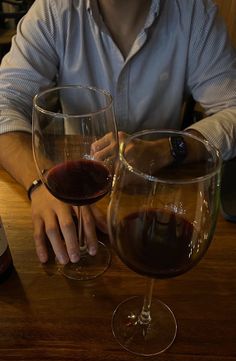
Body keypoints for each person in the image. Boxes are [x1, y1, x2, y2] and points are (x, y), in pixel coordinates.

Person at [0, 0, 236, 266]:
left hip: (158, 194)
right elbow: (3, 103)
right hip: (76, 189)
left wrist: (167, 149)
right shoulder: (53, 11)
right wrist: (38, 185)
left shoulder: (195, 14)